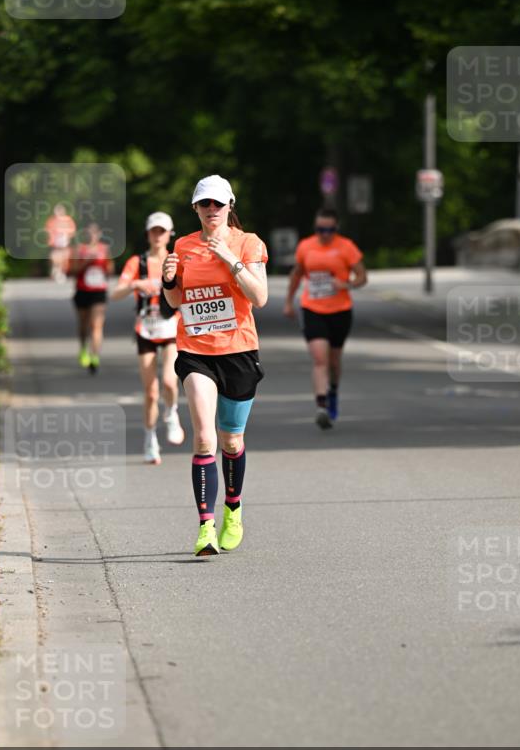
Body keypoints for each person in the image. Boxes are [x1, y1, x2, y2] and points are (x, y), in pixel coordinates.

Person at [161, 175, 268, 556]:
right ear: (195, 208)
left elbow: (260, 297)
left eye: (217, 204)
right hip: (196, 351)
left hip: (238, 351)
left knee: (231, 440)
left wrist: (229, 258)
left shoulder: (248, 242)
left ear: (229, 207)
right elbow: (175, 302)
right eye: (204, 204)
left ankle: (232, 509)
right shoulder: (183, 245)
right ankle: (205, 527)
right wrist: (168, 279)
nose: (211, 210)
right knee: (205, 436)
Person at [111, 212, 185, 464]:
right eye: (154, 230)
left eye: (162, 231)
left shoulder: (176, 260)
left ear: (169, 234)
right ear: (147, 233)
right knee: (151, 391)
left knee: (169, 382)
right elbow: (116, 293)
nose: (157, 235)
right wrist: (135, 285)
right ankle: (150, 438)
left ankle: (172, 412)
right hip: (145, 329)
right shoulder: (137, 262)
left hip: (171, 328)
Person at [284, 207, 367, 428]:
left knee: (334, 361)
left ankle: (333, 392)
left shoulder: (346, 247)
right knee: (320, 357)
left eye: (329, 229)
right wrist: (288, 302)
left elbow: (362, 276)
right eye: (320, 229)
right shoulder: (306, 246)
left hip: (340, 311)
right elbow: (297, 274)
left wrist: (347, 284)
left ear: (335, 228)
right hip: (312, 308)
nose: (324, 233)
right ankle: (321, 406)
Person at [68, 222, 114, 373]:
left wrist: (104, 269)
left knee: (96, 325)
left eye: (94, 233)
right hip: (82, 291)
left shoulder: (104, 250)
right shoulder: (78, 250)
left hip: (98, 291)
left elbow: (110, 270)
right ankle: (83, 348)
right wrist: (86, 263)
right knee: (84, 325)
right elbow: (72, 271)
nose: (91, 236)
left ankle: (94, 356)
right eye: (89, 233)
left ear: (99, 234)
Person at [45, 203, 76, 282]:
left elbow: (72, 230)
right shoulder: (52, 221)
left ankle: (61, 272)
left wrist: (67, 236)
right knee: (55, 258)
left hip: (65, 243)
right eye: (57, 211)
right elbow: (48, 231)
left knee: (64, 259)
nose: (59, 213)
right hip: (55, 244)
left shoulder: (68, 220)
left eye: (60, 211)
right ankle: (56, 271)